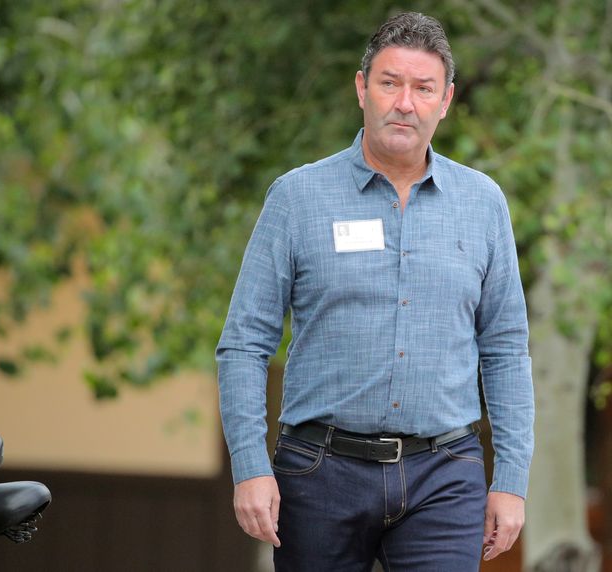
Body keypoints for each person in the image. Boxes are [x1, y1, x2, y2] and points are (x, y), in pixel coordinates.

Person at [215, 11, 534, 572]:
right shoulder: (297, 198)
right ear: (362, 88)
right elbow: (243, 343)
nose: (404, 102)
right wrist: (249, 465)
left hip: (445, 473)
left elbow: (506, 348)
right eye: (390, 83)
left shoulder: (484, 204)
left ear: (446, 100)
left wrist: (510, 480)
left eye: (422, 88)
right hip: (319, 472)